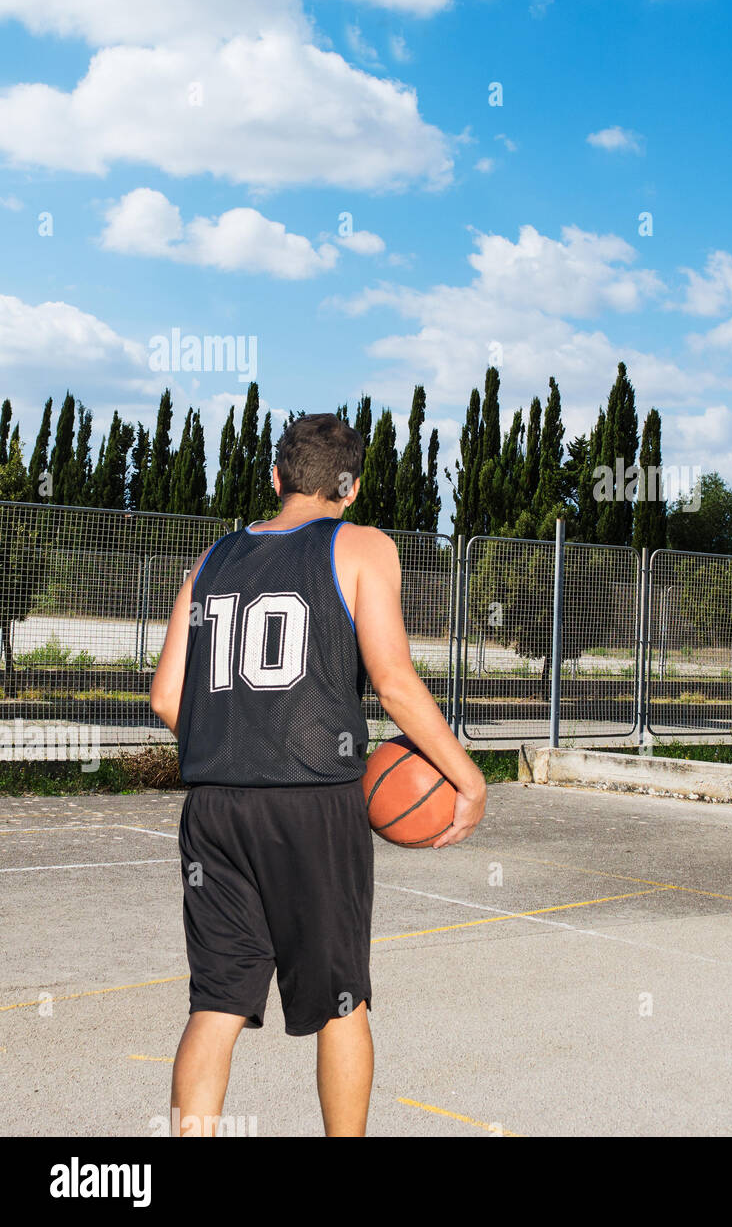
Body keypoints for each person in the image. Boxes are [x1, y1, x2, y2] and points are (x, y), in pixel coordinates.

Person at [150, 412, 486, 1137]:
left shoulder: (210, 559)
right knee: (341, 1002)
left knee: (215, 1002)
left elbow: (166, 696)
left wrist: (242, 748)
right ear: (352, 487)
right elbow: (393, 681)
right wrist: (469, 777)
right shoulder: (362, 546)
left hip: (214, 808)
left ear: (276, 478)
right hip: (311, 806)